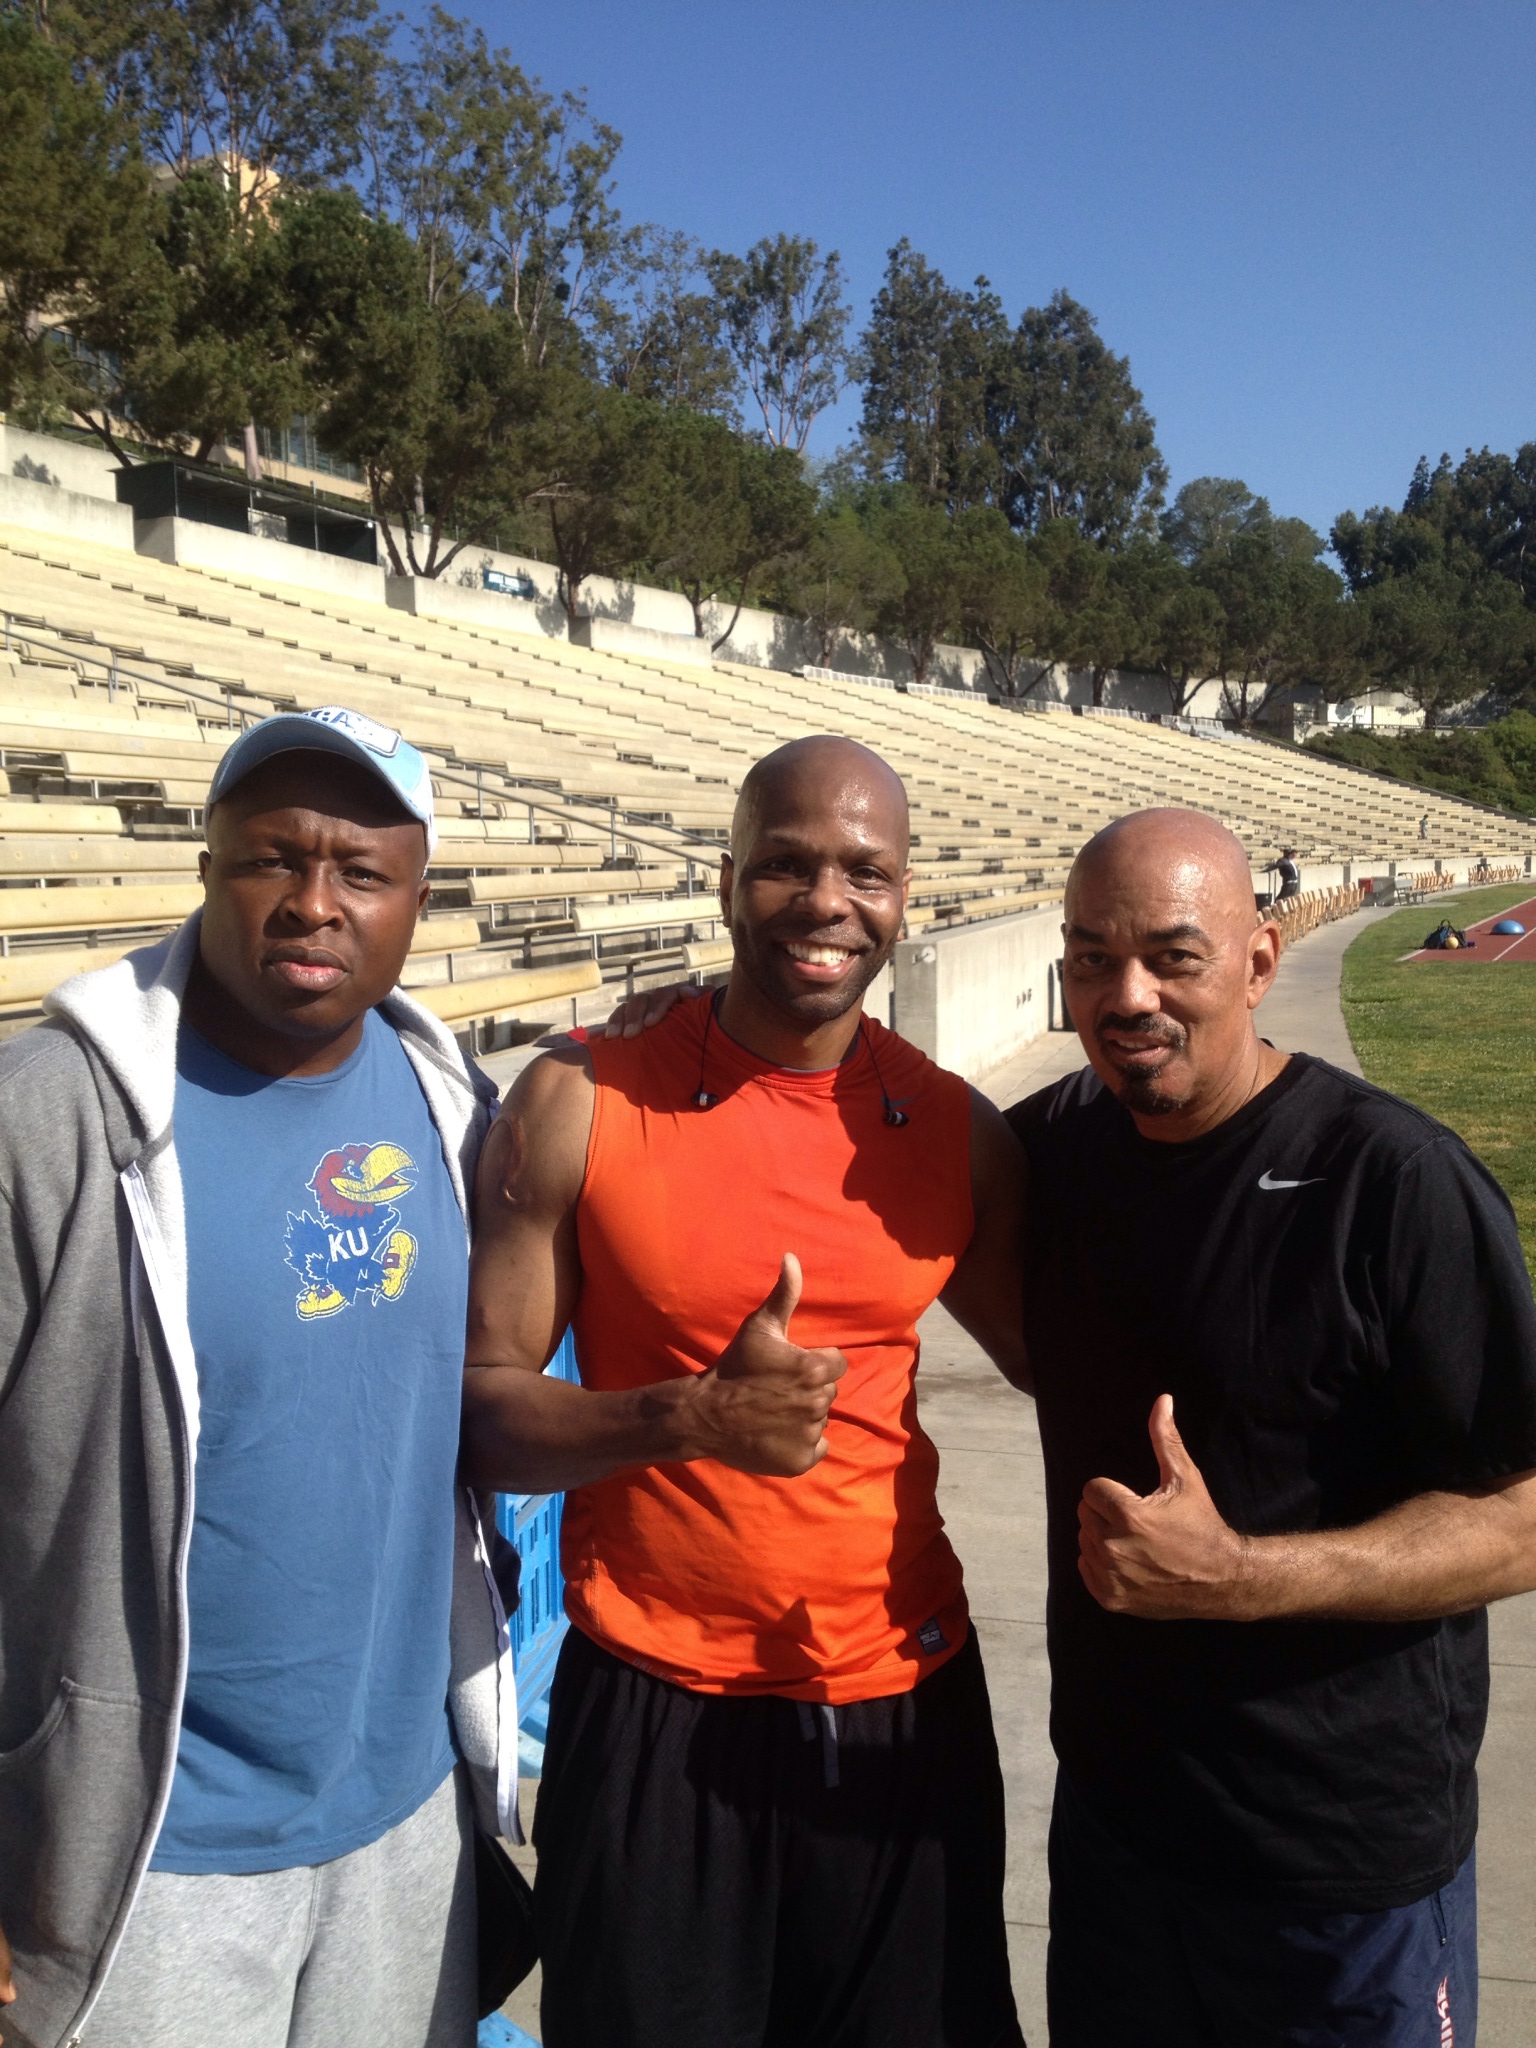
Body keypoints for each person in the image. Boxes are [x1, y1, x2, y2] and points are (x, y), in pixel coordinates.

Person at [463, 735, 1030, 2048]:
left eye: (864, 871)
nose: (827, 901)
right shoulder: (581, 1099)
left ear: (904, 898)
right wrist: (686, 1418)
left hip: (900, 1702)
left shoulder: (954, 1132)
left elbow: (1070, 1359)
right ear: (727, 884)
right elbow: (481, 1416)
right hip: (658, 1708)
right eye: (786, 864)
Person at [0, 706, 513, 2048]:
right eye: (272, 859)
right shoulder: (56, 1113)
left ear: (416, 900)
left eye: (361, 872)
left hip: (403, 1825)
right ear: (211, 864)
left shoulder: (452, 1104)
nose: (314, 903)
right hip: (148, 1847)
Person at [1009, 806, 1536, 2047]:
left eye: (1173, 956)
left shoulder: (1394, 1183)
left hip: (1338, 1869)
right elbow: (846, 1107)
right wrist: (682, 1019)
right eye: (1092, 956)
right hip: (1119, 1839)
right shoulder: (1049, 1150)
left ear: (1259, 959)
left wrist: (1241, 1577)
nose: (1126, 994)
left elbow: (1522, 1519)